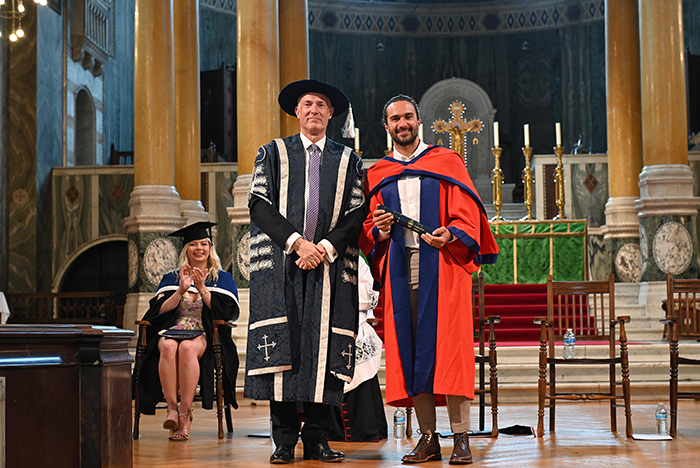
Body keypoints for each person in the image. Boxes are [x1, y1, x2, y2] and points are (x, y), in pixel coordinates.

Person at [358, 95, 499, 465]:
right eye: (394, 119)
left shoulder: (446, 162)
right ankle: (428, 437)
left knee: (451, 352)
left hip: (444, 267)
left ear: (419, 121)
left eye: (407, 117)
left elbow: (468, 218)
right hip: (400, 270)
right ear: (386, 127)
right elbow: (367, 230)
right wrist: (381, 231)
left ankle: (462, 437)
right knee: (409, 351)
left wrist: (450, 234)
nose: (402, 124)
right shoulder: (377, 173)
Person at [244, 79, 366, 464]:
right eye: (307, 104)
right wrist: (297, 243)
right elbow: (259, 204)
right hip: (283, 264)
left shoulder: (349, 160)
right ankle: (283, 442)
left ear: (331, 114)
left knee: (322, 350)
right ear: (297, 111)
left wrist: (325, 247)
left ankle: (316, 439)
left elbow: (357, 213)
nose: (314, 110)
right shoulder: (271, 153)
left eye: (321, 105)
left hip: (329, 267)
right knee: (285, 349)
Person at [135, 221, 240, 441]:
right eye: (193, 244)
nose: (199, 248)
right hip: (173, 330)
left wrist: (202, 289)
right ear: (186, 249)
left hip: (204, 334)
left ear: (210, 248)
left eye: (204, 243)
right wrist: (181, 289)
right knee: (167, 345)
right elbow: (157, 312)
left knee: (187, 349)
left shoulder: (222, 278)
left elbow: (225, 313)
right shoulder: (172, 278)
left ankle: (185, 414)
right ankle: (172, 410)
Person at [328, 255, 388, 442]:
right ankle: (329, 429)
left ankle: (367, 428)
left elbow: (370, 297)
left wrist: (339, 293)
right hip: (325, 330)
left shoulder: (356, 261)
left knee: (361, 369)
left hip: (356, 327)